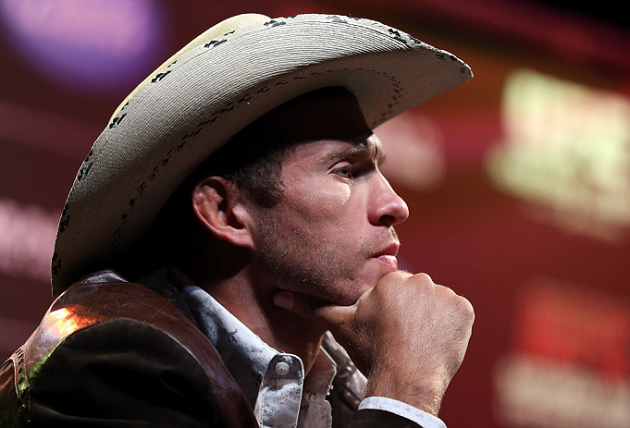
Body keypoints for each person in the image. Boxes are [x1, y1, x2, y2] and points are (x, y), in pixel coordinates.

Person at [0, 13, 474, 428]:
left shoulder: (340, 390)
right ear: (225, 213)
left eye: (378, 168)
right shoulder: (116, 362)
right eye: (346, 171)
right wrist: (406, 390)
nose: (395, 205)